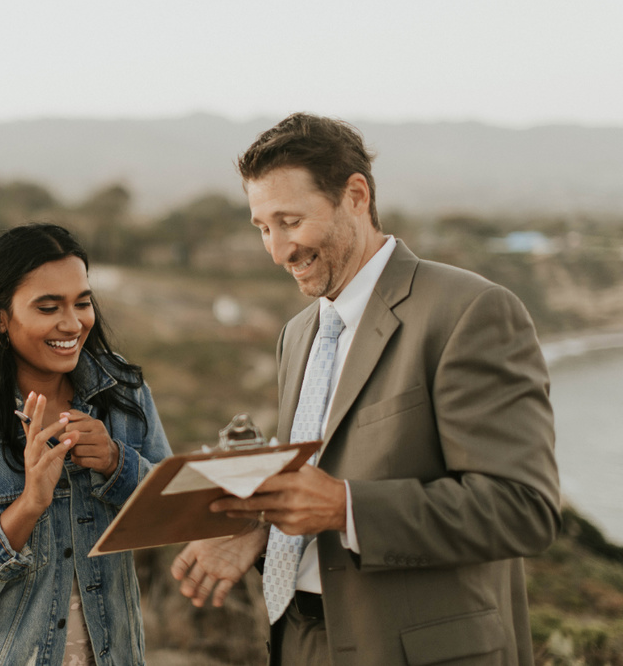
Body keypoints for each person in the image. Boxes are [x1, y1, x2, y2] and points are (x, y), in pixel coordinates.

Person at [170, 113, 560, 665]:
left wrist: (345, 506)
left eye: (290, 221)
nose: (278, 250)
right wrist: (259, 534)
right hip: (298, 644)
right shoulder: (298, 334)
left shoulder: (469, 311)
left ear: (356, 195)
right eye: (262, 227)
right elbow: (315, 495)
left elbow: (524, 509)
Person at [0, 222, 171, 666]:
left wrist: (116, 463)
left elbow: (173, 513)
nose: (73, 323)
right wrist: (26, 508)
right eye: (48, 307)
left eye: (82, 302)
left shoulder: (123, 395)